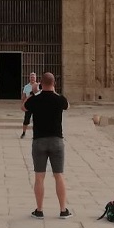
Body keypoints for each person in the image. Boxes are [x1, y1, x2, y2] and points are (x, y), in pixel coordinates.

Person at [21, 72, 71, 218]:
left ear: (41, 83)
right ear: (54, 83)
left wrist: (35, 92)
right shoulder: (59, 99)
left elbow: (23, 107)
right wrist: (54, 91)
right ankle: (63, 210)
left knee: (39, 177)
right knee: (58, 176)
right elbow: (68, 106)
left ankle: (39, 210)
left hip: (39, 141)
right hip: (56, 141)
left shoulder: (36, 99)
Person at [19, 71, 39, 138]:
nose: (32, 78)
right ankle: (24, 133)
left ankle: (36, 134)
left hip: (37, 105)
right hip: (28, 105)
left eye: (34, 77)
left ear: (36, 78)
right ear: (29, 78)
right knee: (26, 119)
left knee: (37, 120)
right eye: (31, 77)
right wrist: (22, 104)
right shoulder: (26, 87)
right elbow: (23, 96)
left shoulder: (38, 86)